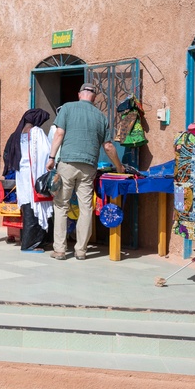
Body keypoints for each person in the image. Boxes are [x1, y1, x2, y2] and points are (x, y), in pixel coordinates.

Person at [45, 83, 124, 260]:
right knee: (86, 208)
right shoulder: (101, 116)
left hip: (67, 163)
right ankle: (81, 250)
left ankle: (60, 249)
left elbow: (59, 134)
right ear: (94, 98)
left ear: (80, 94)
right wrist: (119, 167)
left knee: (61, 205)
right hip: (88, 167)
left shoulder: (67, 108)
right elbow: (109, 146)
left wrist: (51, 158)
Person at [5, 108, 53, 251]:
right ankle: (31, 244)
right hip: (35, 174)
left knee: (27, 206)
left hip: (22, 176)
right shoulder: (36, 132)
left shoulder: (16, 134)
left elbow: (7, 155)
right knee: (36, 208)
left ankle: (32, 241)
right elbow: (46, 152)